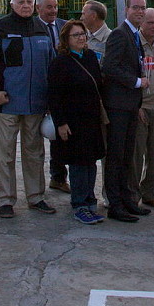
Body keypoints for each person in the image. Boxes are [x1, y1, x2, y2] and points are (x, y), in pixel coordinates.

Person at [0, 0, 57, 218]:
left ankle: (36, 197)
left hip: (35, 105)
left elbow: (51, 64)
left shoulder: (41, 29)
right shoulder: (1, 28)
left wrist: (51, 98)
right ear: (11, 4)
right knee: (5, 154)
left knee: (34, 153)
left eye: (28, 2)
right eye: (20, 2)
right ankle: (6, 200)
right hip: (8, 104)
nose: (25, 6)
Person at [48, 20, 108, 225]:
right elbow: (54, 95)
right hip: (73, 121)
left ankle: (90, 200)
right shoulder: (60, 62)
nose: (82, 37)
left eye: (83, 34)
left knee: (91, 161)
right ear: (66, 39)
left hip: (91, 119)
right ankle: (79, 204)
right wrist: (61, 123)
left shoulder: (90, 57)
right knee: (78, 163)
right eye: (76, 35)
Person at [101, 0, 151, 222]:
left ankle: (127, 200)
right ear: (126, 10)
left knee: (127, 156)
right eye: (136, 8)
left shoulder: (133, 35)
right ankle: (115, 204)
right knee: (116, 156)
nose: (140, 11)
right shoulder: (119, 35)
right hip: (118, 106)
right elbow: (109, 67)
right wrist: (137, 82)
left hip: (130, 106)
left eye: (143, 8)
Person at [130, 8, 154, 209]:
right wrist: (137, 106)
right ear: (141, 23)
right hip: (142, 107)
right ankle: (133, 196)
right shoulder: (135, 46)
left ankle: (149, 192)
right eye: (150, 22)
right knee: (137, 155)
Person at [37, 0, 71, 195]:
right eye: (49, 7)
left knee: (59, 135)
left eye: (55, 6)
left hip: (62, 88)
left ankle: (58, 177)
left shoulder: (64, 26)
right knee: (38, 137)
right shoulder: (33, 28)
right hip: (41, 86)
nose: (53, 10)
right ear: (38, 8)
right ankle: (37, 186)